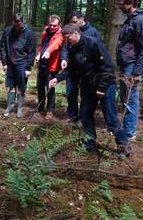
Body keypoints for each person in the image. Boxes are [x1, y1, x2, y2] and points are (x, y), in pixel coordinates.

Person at [49, 24, 130, 155]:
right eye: (65, 39)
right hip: (88, 87)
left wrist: (102, 88)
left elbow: (107, 68)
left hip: (105, 86)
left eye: (68, 38)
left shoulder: (93, 43)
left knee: (110, 119)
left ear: (76, 33)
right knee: (85, 116)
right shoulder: (73, 48)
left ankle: (123, 145)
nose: (67, 42)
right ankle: (89, 144)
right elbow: (70, 69)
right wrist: (57, 79)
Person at [60, 11, 102, 122]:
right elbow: (65, 47)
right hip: (73, 67)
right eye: (71, 22)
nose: (73, 24)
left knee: (85, 94)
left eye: (75, 22)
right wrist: (64, 58)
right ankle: (72, 115)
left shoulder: (93, 32)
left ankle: (83, 118)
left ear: (82, 19)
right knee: (70, 92)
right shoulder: (70, 32)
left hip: (86, 70)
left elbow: (99, 52)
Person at [116, 0, 143, 141]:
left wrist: (137, 72)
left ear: (129, 3)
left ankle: (130, 132)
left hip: (132, 66)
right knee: (125, 97)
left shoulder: (139, 20)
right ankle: (127, 128)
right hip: (125, 64)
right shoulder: (130, 20)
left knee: (131, 98)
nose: (119, 6)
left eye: (121, 3)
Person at [0, 14, 36, 118]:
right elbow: (2, 47)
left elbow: (32, 51)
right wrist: (4, 63)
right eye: (15, 24)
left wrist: (28, 67)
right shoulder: (8, 31)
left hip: (23, 64)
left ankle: (19, 108)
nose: (17, 27)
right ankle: (10, 105)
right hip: (10, 64)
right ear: (13, 22)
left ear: (23, 22)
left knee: (21, 87)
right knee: (11, 86)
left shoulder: (29, 33)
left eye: (19, 24)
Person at [35, 15, 64, 119]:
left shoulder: (60, 34)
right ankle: (40, 107)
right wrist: (39, 54)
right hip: (42, 64)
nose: (52, 27)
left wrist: (48, 52)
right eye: (50, 25)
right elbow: (42, 45)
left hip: (51, 66)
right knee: (40, 87)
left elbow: (56, 44)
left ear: (59, 25)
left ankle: (50, 110)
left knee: (50, 88)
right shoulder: (45, 32)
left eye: (54, 25)